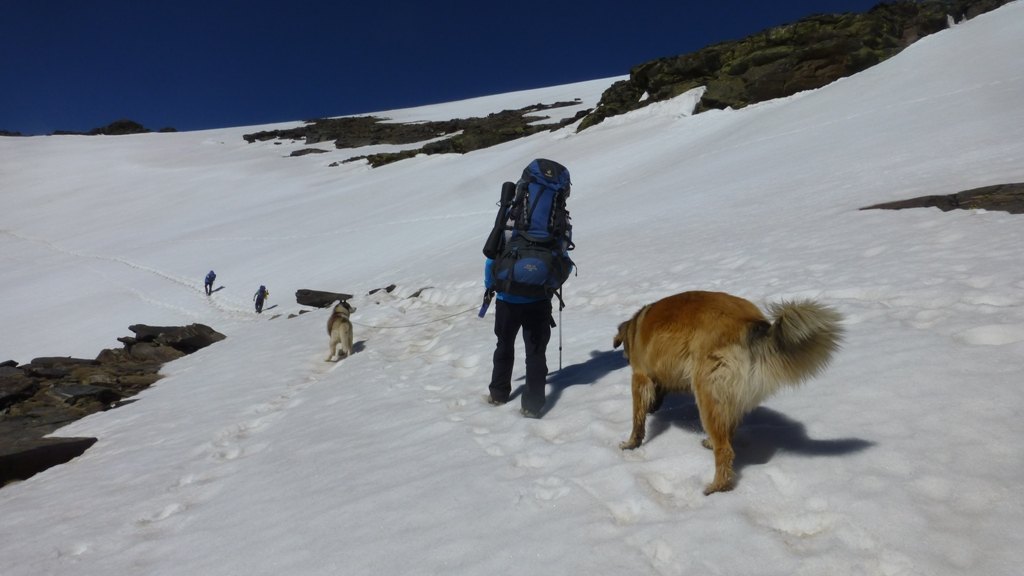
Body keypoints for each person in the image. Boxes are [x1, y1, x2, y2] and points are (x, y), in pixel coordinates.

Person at [483, 267, 555, 418]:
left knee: (504, 344)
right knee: (536, 352)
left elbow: (491, 261)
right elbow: (563, 264)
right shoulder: (552, 241)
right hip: (539, 301)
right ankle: (532, 406)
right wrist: (549, 285)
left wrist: (491, 285)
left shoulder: (506, 240)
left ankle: (498, 394)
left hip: (506, 300)